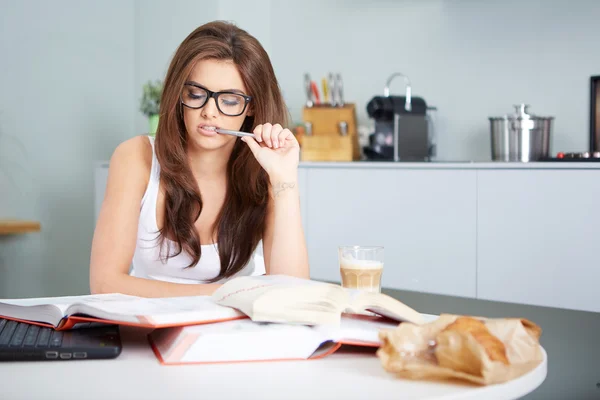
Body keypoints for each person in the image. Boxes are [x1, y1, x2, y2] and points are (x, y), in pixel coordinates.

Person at [89, 21, 309, 297]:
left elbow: (293, 291)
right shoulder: (135, 157)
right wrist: (228, 294)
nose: (209, 112)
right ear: (178, 94)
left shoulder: (265, 171)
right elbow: (104, 283)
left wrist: (284, 178)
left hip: (235, 335)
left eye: (229, 100)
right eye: (195, 94)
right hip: (146, 331)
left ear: (251, 107)